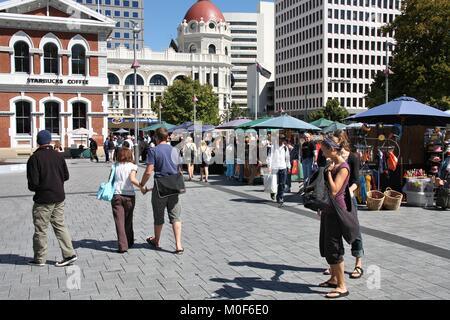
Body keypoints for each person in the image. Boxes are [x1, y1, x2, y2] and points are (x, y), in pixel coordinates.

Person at [26, 130, 77, 267]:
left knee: (41, 229)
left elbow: (33, 184)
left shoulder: (34, 158)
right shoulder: (58, 156)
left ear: (38, 141)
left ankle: (40, 258)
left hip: (43, 199)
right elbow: (66, 176)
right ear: (49, 141)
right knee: (60, 225)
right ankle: (69, 254)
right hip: (59, 196)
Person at [322, 130, 364, 279]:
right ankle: (335, 267)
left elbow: (356, 181)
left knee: (354, 231)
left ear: (339, 142)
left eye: (332, 140)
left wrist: (350, 191)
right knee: (334, 235)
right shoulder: (331, 159)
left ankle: (358, 263)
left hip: (348, 198)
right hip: (333, 202)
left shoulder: (352, 158)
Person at [140, 128, 184, 254]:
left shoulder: (153, 151)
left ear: (156, 138)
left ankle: (157, 241)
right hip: (174, 185)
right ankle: (178, 245)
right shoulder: (175, 150)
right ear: (167, 137)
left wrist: (142, 184)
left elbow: (149, 171)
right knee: (175, 216)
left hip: (160, 186)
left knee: (158, 215)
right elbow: (179, 170)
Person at [318, 135, 351, 299]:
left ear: (332, 149)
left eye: (324, 151)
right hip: (328, 209)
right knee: (327, 246)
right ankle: (333, 279)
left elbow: (335, 189)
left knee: (335, 248)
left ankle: (342, 286)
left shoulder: (343, 167)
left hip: (336, 212)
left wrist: (329, 173)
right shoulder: (333, 163)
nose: (323, 154)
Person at [111, 147, 146, 253]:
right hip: (129, 196)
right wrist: (142, 187)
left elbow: (110, 180)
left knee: (119, 222)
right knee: (128, 219)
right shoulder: (133, 166)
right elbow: (132, 179)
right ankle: (129, 241)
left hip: (116, 195)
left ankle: (122, 245)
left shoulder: (114, 166)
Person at [268, 136, 291, 207]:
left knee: (282, 184)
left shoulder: (285, 148)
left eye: (283, 140)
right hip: (274, 167)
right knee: (273, 183)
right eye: (280, 139)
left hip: (283, 167)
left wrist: (289, 166)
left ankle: (280, 197)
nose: (281, 141)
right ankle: (272, 192)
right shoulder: (273, 147)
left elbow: (287, 158)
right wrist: (269, 166)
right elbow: (270, 157)